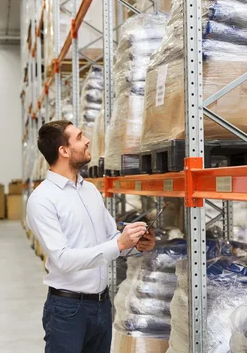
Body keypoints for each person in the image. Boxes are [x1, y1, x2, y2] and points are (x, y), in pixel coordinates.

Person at [27, 120, 155, 353]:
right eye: (79, 137)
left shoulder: (90, 190)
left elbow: (111, 239)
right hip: (67, 311)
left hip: (101, 306)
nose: (87, 141)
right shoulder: (42, 200)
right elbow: (63, 259)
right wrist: (119, 243)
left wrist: (137, 245)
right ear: (63, 151)